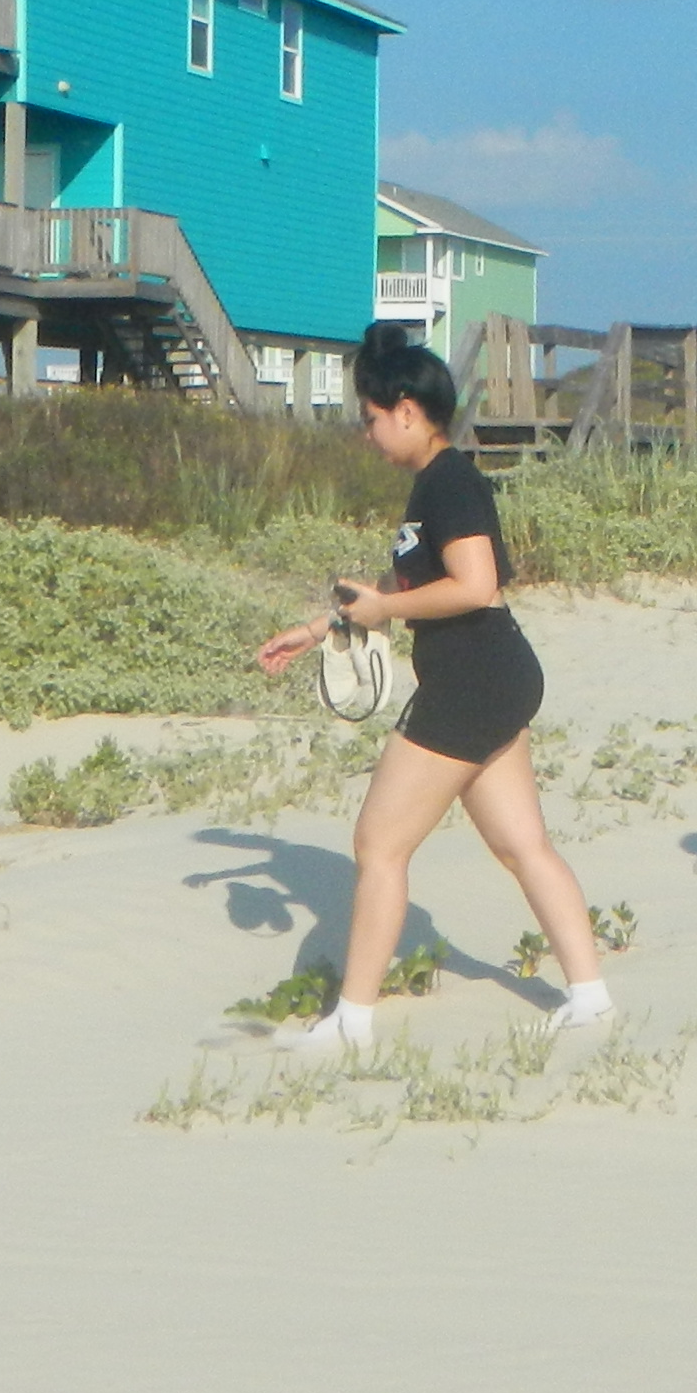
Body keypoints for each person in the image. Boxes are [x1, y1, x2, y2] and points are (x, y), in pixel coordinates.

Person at [250, 332, 612, 1053]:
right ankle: (591, 996)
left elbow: (477, 585)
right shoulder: (433, 485)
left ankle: (352, 1022)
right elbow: (407, 586)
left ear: (407, 411)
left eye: (371, 416)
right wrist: (322, 627)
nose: (367, 432)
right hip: (494, 676)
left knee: (377, 844)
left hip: (473, 681)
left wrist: (386, 612)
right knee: (521, 844)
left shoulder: (451, 483)